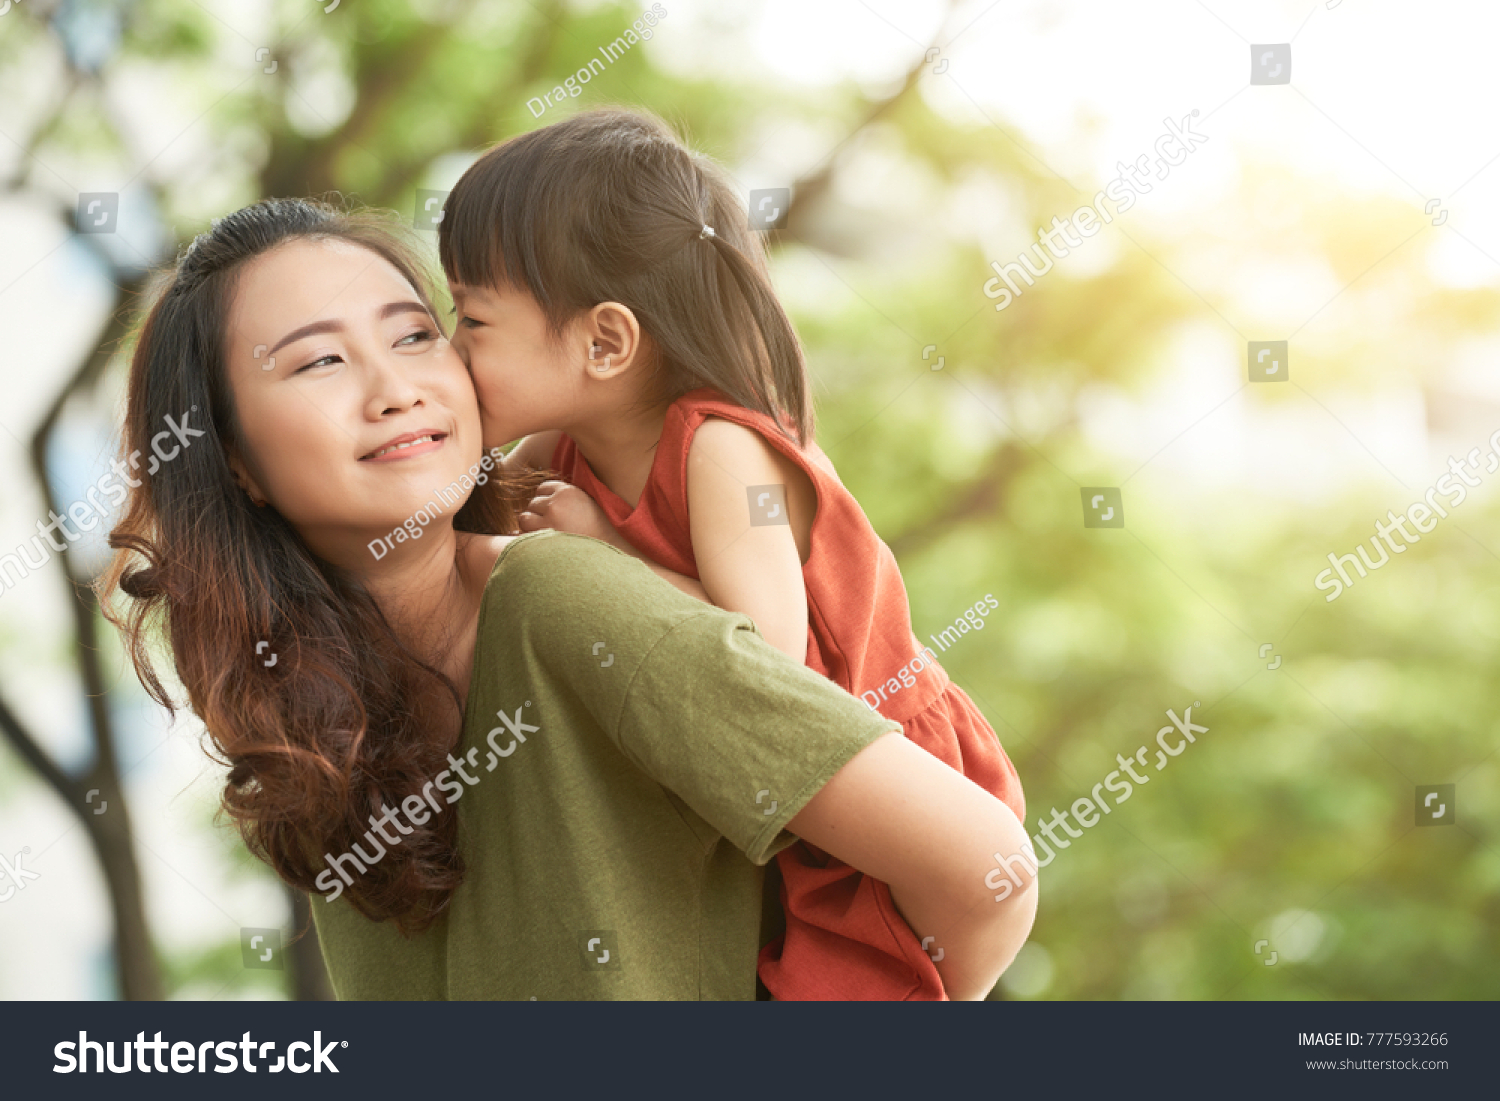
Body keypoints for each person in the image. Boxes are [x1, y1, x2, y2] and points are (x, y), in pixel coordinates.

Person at [98, 197, 1038, 1000]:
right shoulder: (314, 732)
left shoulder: (564, 596)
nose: (397, 389)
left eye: (417, 333)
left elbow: (986, 873)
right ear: (232, 460)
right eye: (318, 363)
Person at [437, 108, 1027, 999]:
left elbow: (766, 657)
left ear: (605, 342)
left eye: (471, 320)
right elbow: (464, 547)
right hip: (761, 788)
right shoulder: (559, 450)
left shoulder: (721, 450)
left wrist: (600, 553)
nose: (449, 352)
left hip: (871, 772)